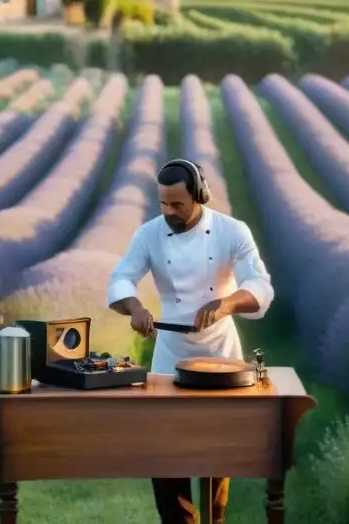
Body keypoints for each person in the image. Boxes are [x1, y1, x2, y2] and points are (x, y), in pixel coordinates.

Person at [106, 158, 275, 524]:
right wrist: (134, 307)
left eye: (177, 205)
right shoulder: (149, 234)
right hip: (170, 352)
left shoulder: (233, 231)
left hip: (221, 355)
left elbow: (260, 287)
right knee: (165, 453)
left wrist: (227, 303)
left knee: (218, 452)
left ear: (200, 196)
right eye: (162, 204)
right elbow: (120, 279)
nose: (168, 212)